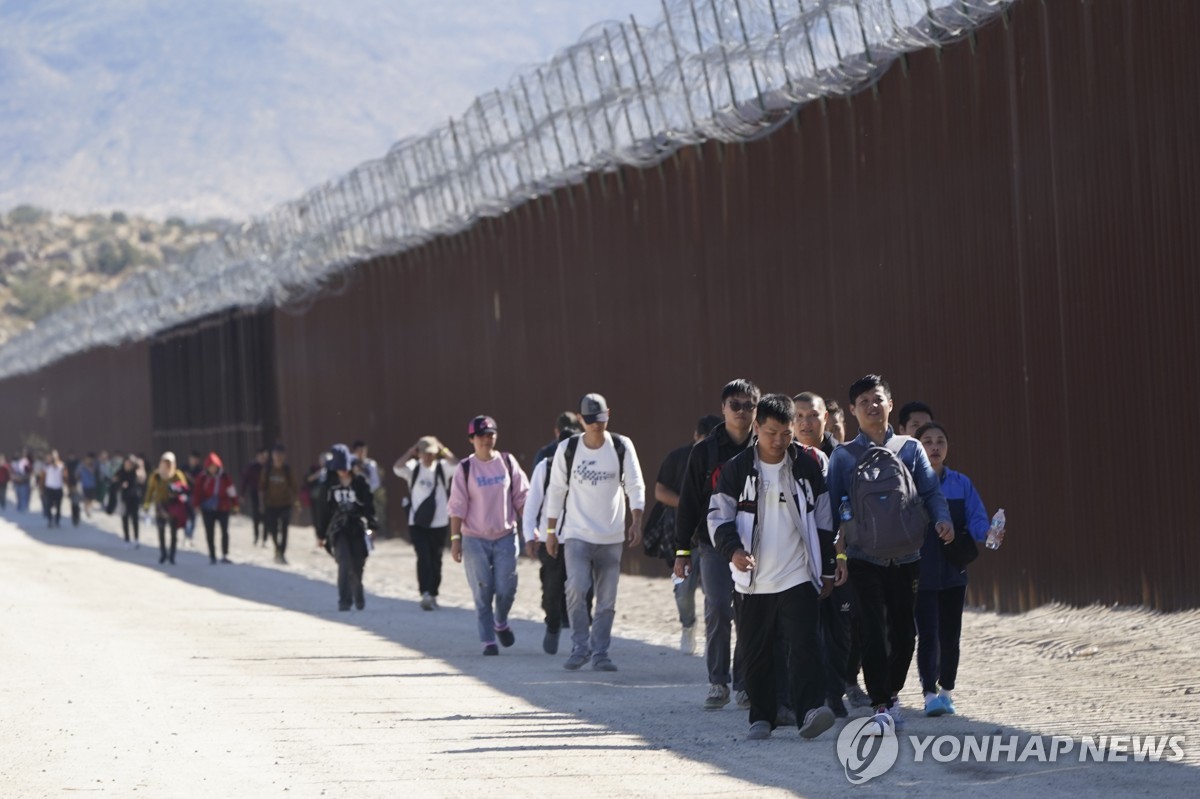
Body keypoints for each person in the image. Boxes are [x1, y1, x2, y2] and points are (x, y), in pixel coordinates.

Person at [709, 394, 840, 740]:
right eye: (771, 433)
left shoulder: (806, 466)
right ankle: (761, 716)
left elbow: (825, 520)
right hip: (753, 580)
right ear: (756, 429)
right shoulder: (737, 469)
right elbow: (717, 518)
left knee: (804, 645)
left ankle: (809, 710)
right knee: (757, 650)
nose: (779, 441)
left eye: (785, 433)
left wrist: (826, 567)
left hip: (798, 572)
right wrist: (733, 550)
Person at [827, 375, 952, 734]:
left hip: (907, 556)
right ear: (852, 410)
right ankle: (880, 703)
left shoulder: (910, 449)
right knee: (870, 630)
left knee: (903, 634)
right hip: (863, 557)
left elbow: (930, 492)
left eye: (877, 398)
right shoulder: (844, 455)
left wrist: (942, 520)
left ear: (890, 403)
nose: (871, 405)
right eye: (863, 401)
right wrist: (836, 555)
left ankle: (892, 692)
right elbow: (832, 509)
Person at [674, 379, 760, 709]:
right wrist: (682, 551)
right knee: (719, 608)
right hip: (712, 544)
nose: (741, 412)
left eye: (749, 405)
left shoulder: (764, 446)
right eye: (734, 405)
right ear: (723, 409)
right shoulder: (705, 451)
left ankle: (744, 683)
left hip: (754, 542)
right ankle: (718, 682)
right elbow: (689, 505)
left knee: (748, 611)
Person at [544, 394, 645, 672]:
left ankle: (600, 652)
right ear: (580, 419)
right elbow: (556, 491)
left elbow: (635, 485)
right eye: (589, 421)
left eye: (599, 419)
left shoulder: (621, 446)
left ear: (608, 415)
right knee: (576, 587)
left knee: (607, 599)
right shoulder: (569, 449)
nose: (595, 425)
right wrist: (551, 531)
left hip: (611, 535)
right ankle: (580, 646)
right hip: (576, 533)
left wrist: (636, 520)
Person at [914, 422, 990, 717]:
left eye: (940, 441)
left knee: (951, 635)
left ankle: (947, 691)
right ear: (918, 447)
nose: (934, 447)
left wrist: (989, 534)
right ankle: (929, 694)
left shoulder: (961, 483)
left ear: (947, 447)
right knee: (928, 635)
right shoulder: (911, 482)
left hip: (954, 571)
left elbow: (977, 520)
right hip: (921, 570)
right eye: (928, 442)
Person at [448, 416, 530, 656]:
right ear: (471, 439)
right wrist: (455, 541)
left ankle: (500, 622)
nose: (487, 439)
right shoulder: (465, 468)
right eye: (481, 435)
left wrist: (530, 529)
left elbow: (522, 498)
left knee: (506, 587)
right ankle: (488, 640)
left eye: (491, 434)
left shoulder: (507, 462)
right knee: (483, 590)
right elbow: (457, 507)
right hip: (474, 538)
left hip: (505, 535)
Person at [649, 414, 722, 655]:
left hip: (715, 538)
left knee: (714, 593)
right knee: (683, 591)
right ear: (695, 436)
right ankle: (688, 626)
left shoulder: (724, 457)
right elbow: (659, 491)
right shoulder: (678, 457)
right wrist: (687, 504)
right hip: (684, 538)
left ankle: (713, 640)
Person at [522, 422, 582, 655]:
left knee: (582, 590)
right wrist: (530, 537)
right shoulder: (545, 468)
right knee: (552, 588)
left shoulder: (584, 469)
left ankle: (581, 640)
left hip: (580, 538)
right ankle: (553, 625)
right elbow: (532, 505)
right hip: (551, 539)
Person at [394, 436, 458, 611]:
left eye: (431, 453)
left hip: (440, 522)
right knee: (423, 556)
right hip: (418, 522)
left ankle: (434, 593)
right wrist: (410, 452)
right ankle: (425, 594)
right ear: (419, 453)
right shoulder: (413, 469)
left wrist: (443, 448)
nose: (428, 457)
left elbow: (457, 465)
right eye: (424, 453)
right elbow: (397, 467)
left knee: (436, 559)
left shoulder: (442, 468)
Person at [316, 444, 378, 611]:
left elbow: (369, 506)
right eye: (339, 468)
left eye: (345, 468)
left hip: (357, 528)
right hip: (338, 529)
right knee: (343, 561)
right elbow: (321, 510)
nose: (343, 471)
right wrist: (320, 534)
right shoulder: (328, 485)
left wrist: (372, 526)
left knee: (357, 564)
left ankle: (358, 591)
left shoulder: (360, 482)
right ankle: (344, 600)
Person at [143, 452, 190, 565]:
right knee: (161, 530)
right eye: (165, 462)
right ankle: (163, 553)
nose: (167, 465)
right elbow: (150, 490)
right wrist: (147, 504)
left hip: (173, 506)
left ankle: (172, 555)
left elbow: (185, 488)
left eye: (169, 463)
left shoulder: (177, 474)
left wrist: (176, 490)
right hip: (160, 505)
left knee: (173, 532)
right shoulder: (156, 475)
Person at [193, 452, 238, 564]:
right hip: (207, 509)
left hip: (223, 507)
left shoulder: (224, 477)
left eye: (214, 467)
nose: (213, 469)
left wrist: (235, 504)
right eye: (210, 467)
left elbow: (231, 491)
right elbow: (197, 492)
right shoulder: (202, 477)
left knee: (224, 531)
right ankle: (212, 555)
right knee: (209, 532)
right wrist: (196, 505)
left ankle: (224, 554)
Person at [261, 443, 298, 564]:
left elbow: (294, 486)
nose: (278, 457)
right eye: (276, 455)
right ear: (272, 456)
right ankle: (277, 547)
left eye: (280, 455)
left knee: (284, 528)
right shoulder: (267, 469)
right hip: (270, 504)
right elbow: (261, 486)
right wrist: (261, 501)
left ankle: (282, 552)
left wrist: (297, 502)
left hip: (285, 503)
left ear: (284, 456)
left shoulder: (287, 470)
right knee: (273, 528)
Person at [353, 440, 385, 535]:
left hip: (368, 495)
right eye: (359, 451)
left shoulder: (370, 464)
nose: (361, 453)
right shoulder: (351, 464)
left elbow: (376, 482)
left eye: (363, 451)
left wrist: (367, 490)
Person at [113, 456, 144, 548]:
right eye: (127, 463)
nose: (128, 465)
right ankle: (126, 538)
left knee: (135, 518)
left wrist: (141, 468)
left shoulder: (136, 471)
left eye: (130, 463)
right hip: (124, 498)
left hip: (134, 497)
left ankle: (136, 538)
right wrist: (121, 485)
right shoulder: (120, 472)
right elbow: (113, 482)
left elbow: (142, 480)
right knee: (125, 518)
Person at [241, 448, 269, 546]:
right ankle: (256, 536)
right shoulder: (251, 467)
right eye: (261, 456)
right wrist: (242, 494)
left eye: (264, 457)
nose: (263, 459)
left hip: (267, 494)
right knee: (256, 516)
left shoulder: (268, 467)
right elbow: (244, 480)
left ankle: (265, 538)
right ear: (257, 456)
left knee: (266, 517)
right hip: (254, 492)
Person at [183, 451, 204, 546]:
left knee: (193, 517)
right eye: (192, 458)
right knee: (185, 515)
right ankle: (186, 535)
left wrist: (190, 478)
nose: (194, 460)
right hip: (183, 494)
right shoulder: (184, 467)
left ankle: (190, 536)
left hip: (194, 495)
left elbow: (199, 483)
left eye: (196, 459)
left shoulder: (200, 470)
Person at [42, 450, 66, 527]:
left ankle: (57, 520)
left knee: (58, 506)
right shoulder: (46, 467)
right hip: (49, 488)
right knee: (49, 505)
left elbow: (65, 476)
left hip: (58, 488)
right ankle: (50, 520)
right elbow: (42, 477)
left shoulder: (61, 465)